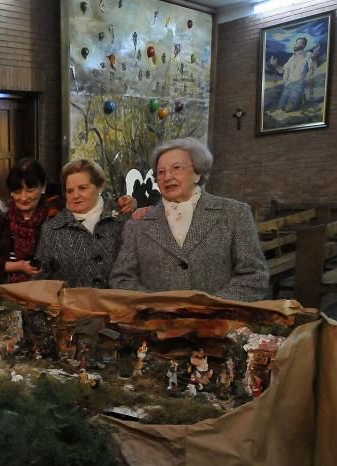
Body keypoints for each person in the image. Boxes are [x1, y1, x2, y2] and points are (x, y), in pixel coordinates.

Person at [109, 137, 269, 302]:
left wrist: (213, 306)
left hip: (219, 322)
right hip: (158, 323)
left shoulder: (235, 214)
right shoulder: (137, 225)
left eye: (176, 168)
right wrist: (156, 306)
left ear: (198, 173)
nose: (167, 177)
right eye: (161, 172)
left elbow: (254, 275)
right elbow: (122, 278)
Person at [32, 158, 130, 288]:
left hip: (119, 306)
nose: (75, 195)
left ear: (99, 186)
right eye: (70, 191)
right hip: (71, 307)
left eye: (82, 188)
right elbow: (40, 282)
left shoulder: (123, 219)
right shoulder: (51, 229)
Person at [0, 159, 63, 284]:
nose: (23, 197)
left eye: (30, 190)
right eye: (17, 191)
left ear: (43, 187)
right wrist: (19, 266)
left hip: (48, 292)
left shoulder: (56, 218)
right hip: (6, 293)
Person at [268, 37, 319, 113]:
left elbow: (313, 68)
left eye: (299, 43)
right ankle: (300, 100)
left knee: (288, 108)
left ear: (303, 45)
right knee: (280, 107)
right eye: (296, 42)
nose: (296, 44)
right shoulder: (291, 58)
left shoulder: (308, 55)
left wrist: (314, 58)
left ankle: (300, 100)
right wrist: (275, 65)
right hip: (288, 85)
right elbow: (283, 70)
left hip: (298, 84)